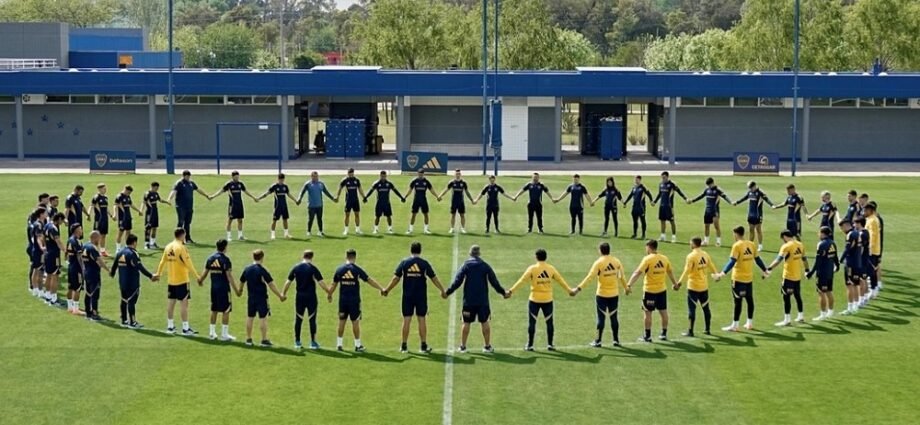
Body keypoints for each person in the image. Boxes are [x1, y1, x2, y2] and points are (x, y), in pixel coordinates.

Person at [382, 242, 447, 353]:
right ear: (420, 251)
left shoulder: (404, 263)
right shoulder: (424, 264)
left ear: (410, 250)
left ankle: (404, 346)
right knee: (421, 319)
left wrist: (387, 289)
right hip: (421, 296)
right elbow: (434, 278)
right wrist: (442, 290)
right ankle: (423, 345)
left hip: (407, 296)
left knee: (407, 319)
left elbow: (396, 278)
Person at [444, 245, 510, 353]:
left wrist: (447, 292)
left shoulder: (466, 265)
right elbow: (494, 282)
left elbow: (458, 281)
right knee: (485, 321)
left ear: (470, 253)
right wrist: (503, 292)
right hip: (482, 301)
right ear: (479, 254)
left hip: (468, 301)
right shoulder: (485, 266)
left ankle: (463, 346)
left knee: (466, 322)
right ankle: (487, 346)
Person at [508, 249, 575, 351]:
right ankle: (550, 344)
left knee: (532, 323)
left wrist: (511, 291)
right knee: (549, 322)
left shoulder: (532, 268)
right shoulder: (551, 269)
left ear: (536, 257)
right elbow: (560, 280)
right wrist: (569, 290)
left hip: (534, 299)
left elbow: (522, 281)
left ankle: (530, 345)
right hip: (547, 300)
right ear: (546, 257)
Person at [714, 226, 769, 331]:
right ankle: (749, 323)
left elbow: (732, 261)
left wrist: (722, 273)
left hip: (738, 278)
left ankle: (735, 325)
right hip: (748, 278)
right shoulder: (751, 244)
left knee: (738, 302)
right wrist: (765, 269)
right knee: (750, 300)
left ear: (736, 234)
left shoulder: (737, 246)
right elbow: (757, 259)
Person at [329, 249, 385, 352]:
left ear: (346, 256)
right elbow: (369, 280)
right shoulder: (357, 270)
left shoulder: (340, 270)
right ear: (355, 257)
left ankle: (339, 344)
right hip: (354, 301)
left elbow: (334, 284)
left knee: (342, 321)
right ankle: (358, 345)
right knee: (355, 322)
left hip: (343, 301)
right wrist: (381, 288)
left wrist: (329, 294)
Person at [573, 242, 628, 347]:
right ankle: (616, 340)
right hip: (614, 294)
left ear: (600, 250)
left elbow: (590, 277)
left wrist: (578, 288)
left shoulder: (599, 263)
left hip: (602, 295)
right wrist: (626, 288)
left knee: (601, 319)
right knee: (614, 317)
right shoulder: (616, 261)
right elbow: (622, 277)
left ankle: (598, 341)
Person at [626, 240, 679, 342]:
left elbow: (638, 273)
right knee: (663, 312)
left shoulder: (647, 259)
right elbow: (670, 272)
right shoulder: (664, 258)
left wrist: (629, 284)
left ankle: (648, 336)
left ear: (649, 247)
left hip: (649, 291)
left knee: (648, 313)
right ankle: (663, 333)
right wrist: (675, 283)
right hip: (662, 290)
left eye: (646, 247)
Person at [281, 250, 332, 350]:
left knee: (298, 318)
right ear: (312, 257)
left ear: (302, 256)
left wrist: (283, 293)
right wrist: (328, 293)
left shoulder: (296, 268)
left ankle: (297, 341)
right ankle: (313, 342)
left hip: (299, 297)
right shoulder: (313, 269)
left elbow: (288, 282)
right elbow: (321, 282)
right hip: (311, 297)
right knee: (312, 319)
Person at [155, 228, 202, 335]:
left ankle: (170, 326)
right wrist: (197, 276)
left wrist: (158, 274)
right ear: (183, 235)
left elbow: (162, 262)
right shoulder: (181, 248)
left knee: (171, 303)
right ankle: (185, 328)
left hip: (171, 280)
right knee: (184, 304)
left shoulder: (168, 247)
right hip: (182, 280)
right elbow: (188, 263)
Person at [196, 239, 241, 341]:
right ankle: (224, 334)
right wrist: (236, 290)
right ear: (225, 247)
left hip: (214, 288)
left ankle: (212, 332)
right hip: (224, 288)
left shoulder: (210, 259)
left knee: (214, 309)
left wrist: (200, 280)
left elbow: (205, 273)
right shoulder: (226, 260)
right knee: (226, 310)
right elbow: (229, 276)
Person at [239, 249, 286, 347]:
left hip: (251, 298)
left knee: (250, 317)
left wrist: (240, 290)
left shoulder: (247, 269)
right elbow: (271, 285)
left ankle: (248, 339)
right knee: (263, 318)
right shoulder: (262, 270)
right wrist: (280, 295)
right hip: (261, 298)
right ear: (262, 257)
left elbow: (242, 281)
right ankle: (264, 340)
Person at [110, 234, 156, 328]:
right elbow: (140, 267)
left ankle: (124, 319)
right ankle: (133, 322)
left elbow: (114, 267)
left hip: (122, 281)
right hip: (132, 282)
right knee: (131, 301)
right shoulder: (133, 253)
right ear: (134, 242)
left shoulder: (120, 252)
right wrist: (150, 276)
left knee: (124, 300)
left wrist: (112, 273)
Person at [766, 230, 810, 326]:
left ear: (785, 237)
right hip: (797, 275)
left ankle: (787, 319)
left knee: (786, 297)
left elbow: (778, 260)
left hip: (788, 276)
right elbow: (804, 259)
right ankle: (801, 316)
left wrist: (769, 269)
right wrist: (807, 270)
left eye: (783, 239)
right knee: (797, 296)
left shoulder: (786, 246)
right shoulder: (800, 244)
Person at [676, 236, 717, 337]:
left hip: (693, 287)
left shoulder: (691, 256)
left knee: (692, 309)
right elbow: (711, 265)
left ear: (694, 244)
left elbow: (687, 270)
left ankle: (690, 331)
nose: (690, 244)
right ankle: (707, 329)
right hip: (704, 286)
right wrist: (716, 274)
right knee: (706, 308)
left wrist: (679, 282)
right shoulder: (705, 254)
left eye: (690, 243)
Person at [210, 170, 259, 241]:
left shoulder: (240, 184)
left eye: (238, 176)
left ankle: (240, 236)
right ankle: (229, 236)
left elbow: (246, 191)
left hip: (239, 204)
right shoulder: (229, 184)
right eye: (236, 177)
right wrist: (213, 196)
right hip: (232, 205)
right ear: (232, 177)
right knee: (230, 220)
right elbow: (221, 191)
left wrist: (254, 198)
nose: (237, 178)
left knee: (240, 220)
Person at [167, 170, 210, 244]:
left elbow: (198, 189)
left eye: (189, 176)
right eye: (187, 176)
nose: (188, 177)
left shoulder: (191, 183)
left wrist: (206, 195)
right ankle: (178, 239)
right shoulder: (179, 183)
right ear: (183, 176)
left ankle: (188, 238)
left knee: (188, 223)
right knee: (180, 222)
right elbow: (174, 191)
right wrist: (169, 199)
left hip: (189, 206)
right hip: (180, 206)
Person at [806, 226, 839, 321]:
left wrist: (811, 273)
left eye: (819, 232)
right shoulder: (833, 243)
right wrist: (837, 266)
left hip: (822, 273)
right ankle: (831, 311)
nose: (818, 234)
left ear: (823, 233)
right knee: (829, 291)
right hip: (829, 272)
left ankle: (823, 314)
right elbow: (835, 257)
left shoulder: (821, 244)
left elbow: (818, 261)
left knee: (821, 292)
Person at [688, 177, 732, 247]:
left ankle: (718, 241)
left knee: (716, 226)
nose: (709, 186)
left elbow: (724, 196)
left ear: (713, 183)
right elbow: (701, 196)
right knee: (706, 226)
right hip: (707, 210)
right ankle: (706, 241)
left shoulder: (717, 190)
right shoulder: (707, 190)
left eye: (710, 185)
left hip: (715, 210)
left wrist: (730, 202)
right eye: (708, 185)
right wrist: (692, 200)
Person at [732, 181, 773, 251]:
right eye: (749, 188)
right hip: (750, 214)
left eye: (751, 187)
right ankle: (750, 244)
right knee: (751, 230)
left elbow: (767, 199)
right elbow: (744, 198)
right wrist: (737, 202)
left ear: (754, 186)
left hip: (757, 214)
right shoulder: (750, 192)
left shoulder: (760, 193)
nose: (750, 189)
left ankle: (760, 246)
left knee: (758, 229)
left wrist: (772, 205)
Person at [257, 173, 298, 240]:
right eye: (280, 180)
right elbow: (267, 193)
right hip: (277, 206)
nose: (281, 181)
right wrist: (259, 198)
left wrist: (295, 201)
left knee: (285, 219)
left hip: (284, 206)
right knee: (275, 220)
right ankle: (272, 234)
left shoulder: (285, 187)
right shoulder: (274, 186)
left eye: (282, 180)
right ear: (278, 179)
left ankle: (286, 234)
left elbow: (288, 194)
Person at [297, 171, 336, 237]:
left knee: (319, 219)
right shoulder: (308, 184)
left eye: (316, 176)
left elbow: (326, 192)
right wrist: (299, 199)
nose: (315, 178)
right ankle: (309, 231)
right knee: (311, 219)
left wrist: (332, 198)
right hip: (311, 205)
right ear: (311, 176)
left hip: (319, 204)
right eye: (314, 176)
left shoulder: (321, 184)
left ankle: (320, 231)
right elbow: (302, 192)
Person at [81, 230, 109, 321]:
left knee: (88, 293)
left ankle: (88, 312)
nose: (100, 240)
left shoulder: (84, 246)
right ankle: (94, 313)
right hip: (93, 273)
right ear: (95, 238)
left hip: (86, 272)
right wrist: (108, 269)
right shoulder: (92, 248)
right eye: (99, 238)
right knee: (95, 293)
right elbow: (99, 261)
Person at [838, 220, 864, 314]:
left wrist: (840, 260)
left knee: (849, 285)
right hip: (858, 262)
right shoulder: (857, 233)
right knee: (855, 284)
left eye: (841, 228)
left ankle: (850, 308)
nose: (841, 230)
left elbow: (847, 249)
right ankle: (856, 306)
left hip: (850, 264)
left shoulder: (850, 235)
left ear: (845, 226)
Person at [653, 171, 688, 243]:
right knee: (662, 220)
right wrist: (655, 201)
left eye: (664, 177)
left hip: (669, 206)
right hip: (662, 205)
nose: (663, 179)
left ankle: (673, 237)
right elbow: (659, 194)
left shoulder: (672, 185)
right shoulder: (661, 184)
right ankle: (663, 236)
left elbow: (679, 191)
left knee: (672, 221)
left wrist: (685, 198)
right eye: (662, 177)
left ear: (667, 177)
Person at [438, 169, 474, 234]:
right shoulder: (452, 182)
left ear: (460, 175)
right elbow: (446, 189)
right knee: (453, 215)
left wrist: (472, 200)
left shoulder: (463, 183)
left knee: (462, 215)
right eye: (456, 174)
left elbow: (467, 192)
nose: (458, 175)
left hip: (461, 201)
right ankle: (452, 228)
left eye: (459, 174)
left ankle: (463, 228)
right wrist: (440, 195)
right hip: (454, 201)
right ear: (455, 175)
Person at [42, 212, 66, 306]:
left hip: (48, 252)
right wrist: (65, 251)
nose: (62, 223)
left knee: (48, 275)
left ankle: (47, 296)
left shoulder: (47, 225)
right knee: (55, 276)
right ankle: (54, 298)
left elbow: (44, 238)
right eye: (62, 220)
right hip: (54, 254)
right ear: (59, 219)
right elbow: (58, 242)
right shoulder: (54, 228)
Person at [336, 168, 367, 235]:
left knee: (357, 214)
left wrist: (364, 197)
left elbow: (360, 189)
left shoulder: (356, 180)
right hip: (348, 200)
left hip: (355, 200)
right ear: (347, 173)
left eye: (352, 173)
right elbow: (340, 188)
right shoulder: (345, 180)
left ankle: (357, 229)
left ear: (353, 173)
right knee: (347, 215)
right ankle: (346, 230)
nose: (350, 174)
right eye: (349, 173)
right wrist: (337, 196)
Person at [141, 182, 171, 249]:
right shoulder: (147, 194)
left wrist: (167, 202)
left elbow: (160, 200)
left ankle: (152, 243)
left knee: (154, 227)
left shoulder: (156, 194)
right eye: (156, 188)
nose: (157, 189)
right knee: (148, 227)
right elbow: (144, 202)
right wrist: (141, 211)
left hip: (155, 212)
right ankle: (146, 243)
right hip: (149, 213)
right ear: (152, 186)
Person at [623, 175, 653, 240]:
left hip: (641, 207)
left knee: (642, 220)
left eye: (637, 179)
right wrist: (625, 202)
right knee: (635, 221)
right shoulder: (634, 188)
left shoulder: (643, 187)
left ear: (640, 180)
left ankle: (643, 235)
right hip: (634, 207)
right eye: (635, 179)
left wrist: (651, 201)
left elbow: (649, 194)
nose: (636, 181)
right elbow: (630, 195)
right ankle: (635, 234)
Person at [114, 185, 142, 252]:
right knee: (120, 232)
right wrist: (115, 214)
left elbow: (131, 205)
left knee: (128, 232)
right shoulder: (119, 196)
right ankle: (118, 248)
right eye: (128, 192)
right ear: (125, 189)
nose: (129, 194)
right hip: (122, 217)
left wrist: (138, 210)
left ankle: (127, 246)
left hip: (128, 216)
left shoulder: (128, 196)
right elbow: (115, 205)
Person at [406, 169, 436, 234]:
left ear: (423, 174)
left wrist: (437, 196)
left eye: (421, 174)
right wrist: (405, 197)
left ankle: (426, 229)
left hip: (423, 200)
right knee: (413, 214)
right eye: (419, 173)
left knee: (426, 214)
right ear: (417, 173)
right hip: (416, 200)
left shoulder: (426, 181)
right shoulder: (414, 181)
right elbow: (410, 190)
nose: (420, 175)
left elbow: (431, 190)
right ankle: (410, 229)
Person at [65, 224, 85, 315]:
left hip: (71, 266)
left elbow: (66, 252)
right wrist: (83, 268)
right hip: (77, 268)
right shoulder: (76, 242)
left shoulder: (69, 240)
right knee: (77, 288)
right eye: (80, 229)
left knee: (70, 287)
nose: (81, 231)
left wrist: (67, 261)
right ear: (76, 230)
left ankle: (70, 307)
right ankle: (76, 309)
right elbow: (79, 256)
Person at [863, 203, 882, 299]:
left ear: (870, 210)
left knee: (870, 271)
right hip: (873, 249)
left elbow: (872, 235)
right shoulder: (871, 219)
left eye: (865, 210)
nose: (864, 212)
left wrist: (869, 248)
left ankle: (873, 290)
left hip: (872, 250)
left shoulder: (872, 221)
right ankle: (873, 289)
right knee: (871, 270)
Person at [28, 208, 48, 299]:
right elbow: (38, 237)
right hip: (38, 251)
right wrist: (42, 247)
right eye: (45, 213)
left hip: (36, 250)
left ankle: (36, 289)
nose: (47, 214)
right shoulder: (39, 225)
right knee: (38, 270)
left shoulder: (39, 224)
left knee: (37, 270)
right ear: (41, 214)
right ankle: (38, 290)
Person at [91, 183, 115, 255]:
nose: (105, 190)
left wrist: (111, 215)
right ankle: (94, 250)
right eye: (104, 188)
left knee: (104, 234)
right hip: (98, 219)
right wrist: (89, 214)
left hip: (105, 218)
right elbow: (93, 206)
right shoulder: (96, 197)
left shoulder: (105, 198)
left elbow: (106, 207)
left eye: (105, 188)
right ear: (99, 189)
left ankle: (102, 251)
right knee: (96, 234)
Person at [853, 217, 871, 306]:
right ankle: (865, 297)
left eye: (855, 223)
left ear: (859, 223)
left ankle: (861, 299)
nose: (854, 225)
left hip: (862, 260)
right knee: (864, 278)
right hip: (865, 259)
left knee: (861, 280)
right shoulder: (866, 232)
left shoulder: (862, 234)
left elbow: (862, 248)